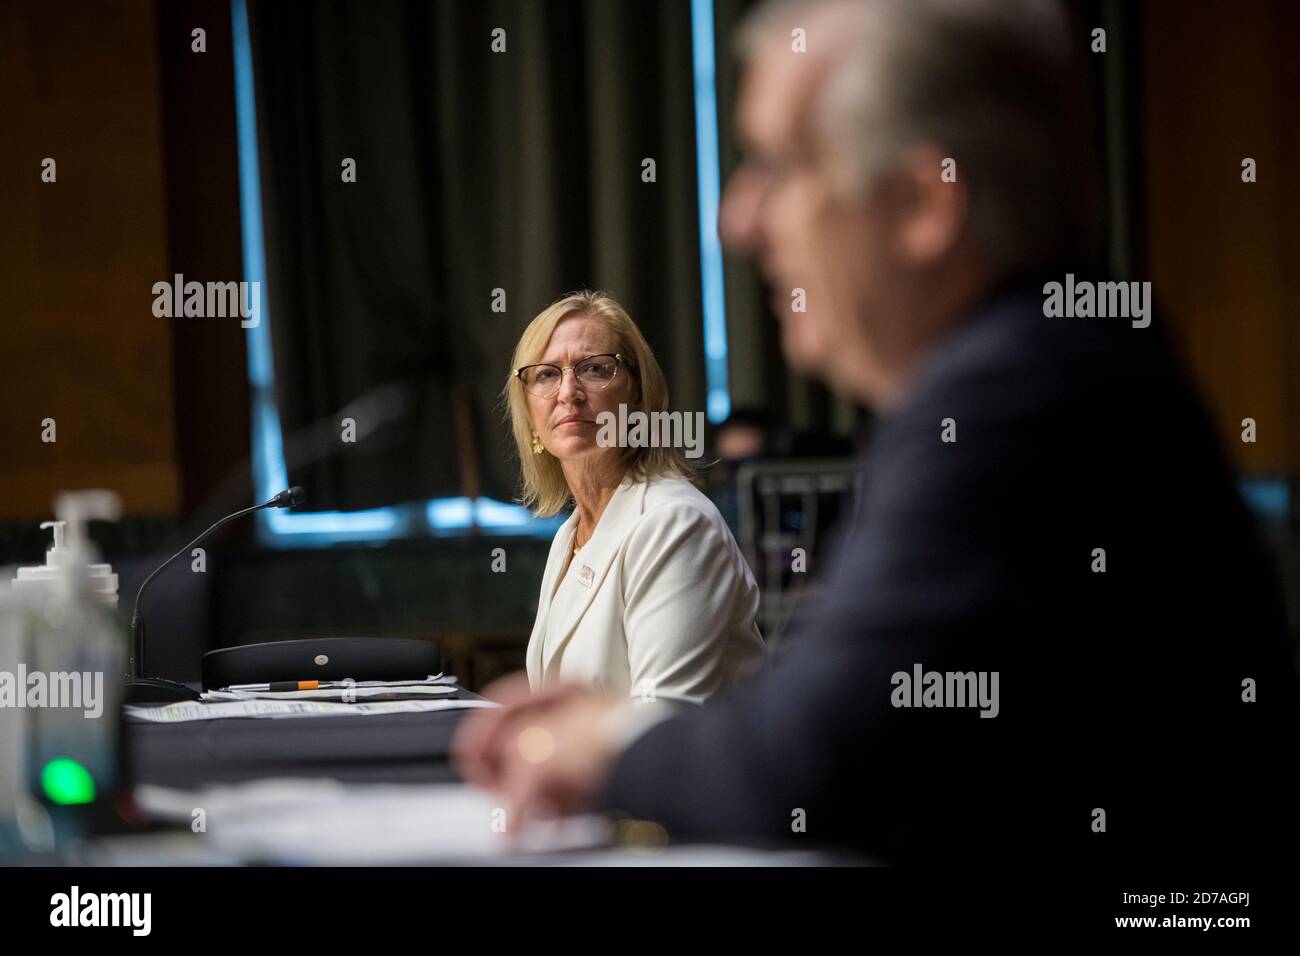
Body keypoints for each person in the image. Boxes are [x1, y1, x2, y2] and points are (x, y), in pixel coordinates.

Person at [455, 0, 1297, 863]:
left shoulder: (1016, 400)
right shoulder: (1025, 371)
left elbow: (806, 762)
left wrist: (602, 741)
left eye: (780, 165)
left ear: (922, 204)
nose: (736, 219)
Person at [503, 290, 764, 706]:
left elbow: (665, 718)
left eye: (595, 369)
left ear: (637, 397)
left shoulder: (677, 522)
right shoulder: (569, 536)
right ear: (529, 412)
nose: (568, 392)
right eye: (547, 374)